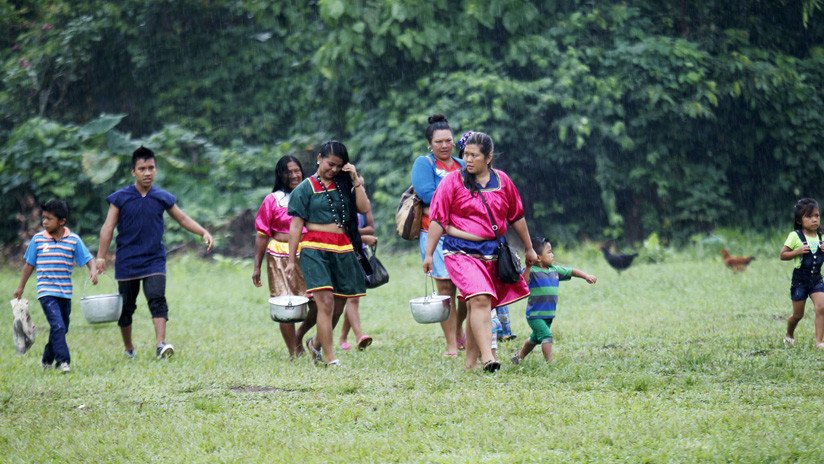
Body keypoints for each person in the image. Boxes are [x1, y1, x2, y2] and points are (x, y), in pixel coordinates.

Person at [423, 132, 537, 372]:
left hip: (492, 253)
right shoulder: (451, 182)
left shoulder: (503, 181)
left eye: (474, 155)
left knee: (478, 305)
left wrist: (529, 247)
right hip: (460, 253)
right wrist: (429, 254)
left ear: (489, 158)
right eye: (465, 154)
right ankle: (488, 358)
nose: (468, 159)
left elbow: (516, 216)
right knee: (480, 298)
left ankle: (469, 365)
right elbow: (438, 219)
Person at [97, 146, 214, 360]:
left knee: (157, 298)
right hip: (127, 261)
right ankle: (129, 349)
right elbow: (107, 228)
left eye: (151, 168)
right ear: (133, 171)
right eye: (142, 168)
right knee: (126, 308)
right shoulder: (120, 198)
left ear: (156, 170)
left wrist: (203, 232)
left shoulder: (162, 197)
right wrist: (101, 257)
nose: (147, 172)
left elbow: (183, 219)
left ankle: (160, 345)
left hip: (154, 260)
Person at [287, 141, 371, 366]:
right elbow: (295, 226)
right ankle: (329, 356)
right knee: (324, 302)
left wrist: (355, 179)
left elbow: (363, 208)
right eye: (330, 164)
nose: (333, 169)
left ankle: (315, 344)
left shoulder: (345, 185)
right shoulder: (304, 188)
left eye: (338, 166)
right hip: (314, 247)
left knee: (339, 303)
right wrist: (290, 260)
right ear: (319, 158)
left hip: (342, 247)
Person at [13, 199, 99, 373]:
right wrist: (21, 287)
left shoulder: (73, 240)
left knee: (62, 327)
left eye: (49, 219)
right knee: (58, 326)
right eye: (43, 218)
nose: (44, 222)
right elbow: (29, 265)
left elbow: (88, 258)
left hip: (65, 293)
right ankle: (63, 361)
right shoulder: (37, 240)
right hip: (46, 292)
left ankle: (47, 358)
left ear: (62, 221)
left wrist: (94, 270)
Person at [252, 155, 319, 358]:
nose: (294, 175)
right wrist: (256, 266)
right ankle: (294, 353)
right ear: (280, 175)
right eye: (288, 172)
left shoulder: (311, 195)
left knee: (318, 302)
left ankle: (300, 336)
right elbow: (262, 235)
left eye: (297, 170)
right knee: (284, 306)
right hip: (278, 256)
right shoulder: (272, 200)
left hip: (308, 253)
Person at [411, 114, 467, 357]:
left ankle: (459, 327)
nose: (444, 146)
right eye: (439, 142)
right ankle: (451, 345)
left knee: (467, 290)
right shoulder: (424, 164)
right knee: (445, 290)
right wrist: (460, 203)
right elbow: (428, 196)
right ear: (430, 144)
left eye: (448, 141)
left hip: (465, 236)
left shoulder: (463, 165)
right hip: (435, 234)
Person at [511, 236, 597, 364]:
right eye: (549, 252)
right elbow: (523, 281)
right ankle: (550, 363)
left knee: (535, 338)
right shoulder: (533, 271)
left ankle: (519, 357)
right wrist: (528, 266)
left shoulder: (554, 270)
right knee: (546, 336)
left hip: (548, 315)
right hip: (535, 315)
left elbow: (571, 271)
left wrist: (586, 276)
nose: (553, 254)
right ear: (538, 257)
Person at [779, 198, 824, 349]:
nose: (814, 220)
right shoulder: (795, 236)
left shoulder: (822, 237)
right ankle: (789, 333)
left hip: (817, 280)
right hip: (800, 281)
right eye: (809, 216)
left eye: (817, 216)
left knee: (822, 307)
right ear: (799, 220)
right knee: (798, 315)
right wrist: (796, 252)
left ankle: (819, 342)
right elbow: (783, 255)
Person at [338, 193, 375, 352]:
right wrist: (363, 237)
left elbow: (371, 228)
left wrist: (357, 234)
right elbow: (340, 230)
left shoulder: (364, 204)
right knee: (352, 298)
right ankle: (359, 336)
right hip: (344, 253)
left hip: (361, 255)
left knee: (354, 297)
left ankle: (343, 337)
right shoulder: (340, 203)